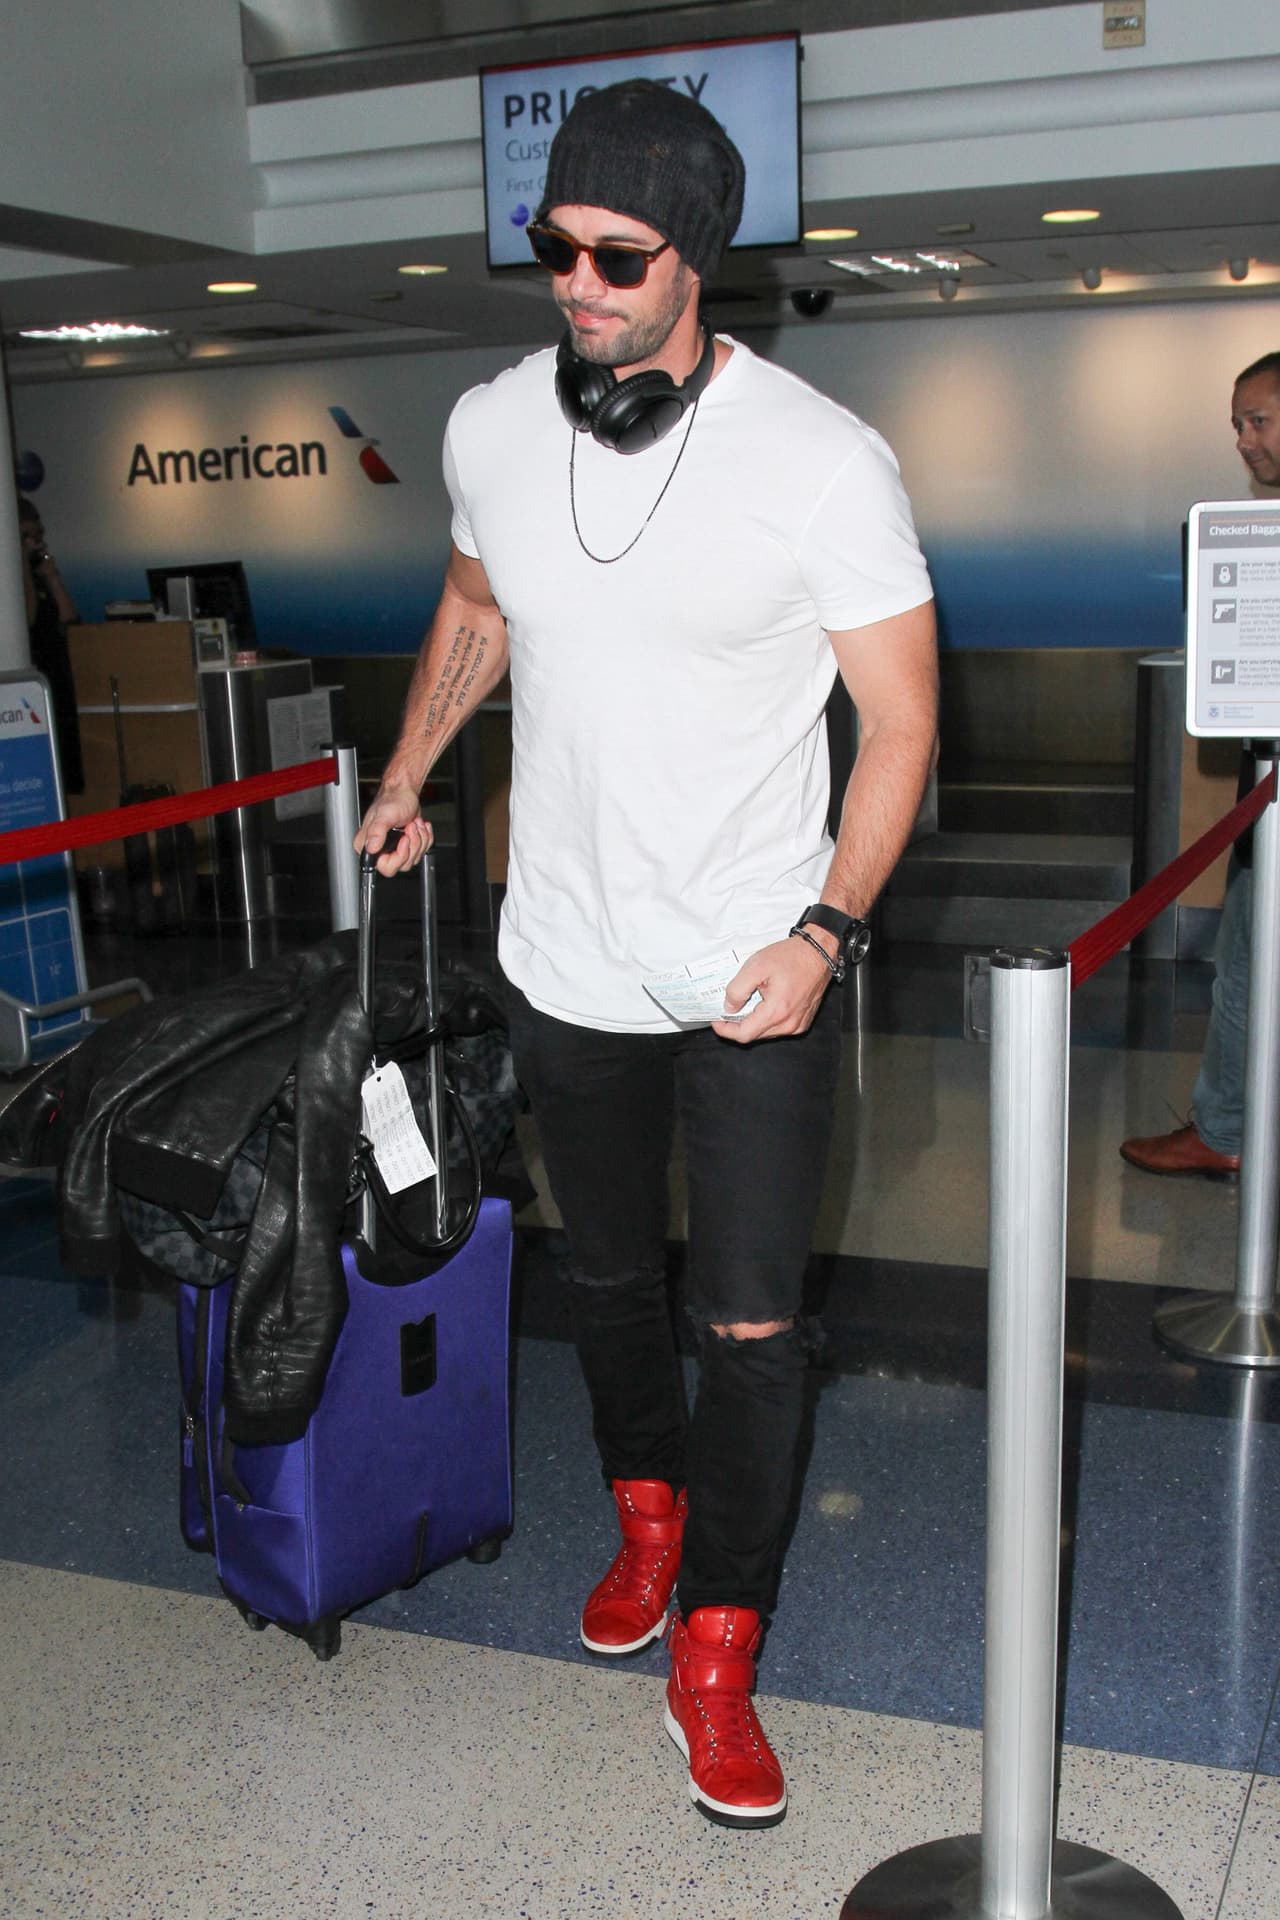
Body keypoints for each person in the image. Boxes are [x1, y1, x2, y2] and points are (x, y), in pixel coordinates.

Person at [357, 79, 937, 1829]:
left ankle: (721, 1653)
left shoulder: (821, 460)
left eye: (620, 254)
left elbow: (902, 721)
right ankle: (647, 1518)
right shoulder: (486, 427)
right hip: (563, 955)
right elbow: (476, 608)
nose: (580, 282)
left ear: (703, 258)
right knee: (607, 1281)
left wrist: (828, 931)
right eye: (555, 249)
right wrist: (407, 775)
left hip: (756, 970)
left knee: (752, 1321)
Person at [1121, 350, 1280, 1181]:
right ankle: (1223, 1123)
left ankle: (1224, 1129)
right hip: (1269, 801)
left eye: (1258, 421)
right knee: (1246, 964)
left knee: (1251, 970)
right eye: (1237, 425)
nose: (1245, 441)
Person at [18, 494, 84, 794]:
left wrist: (51, 576)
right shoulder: (14, 581)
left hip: (59, 679)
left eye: (37, 536)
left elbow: (70, 620)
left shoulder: (41, 574)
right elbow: (26, 618)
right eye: (25, 537)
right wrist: (19, 564)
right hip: (31, 683)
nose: (34, 544)